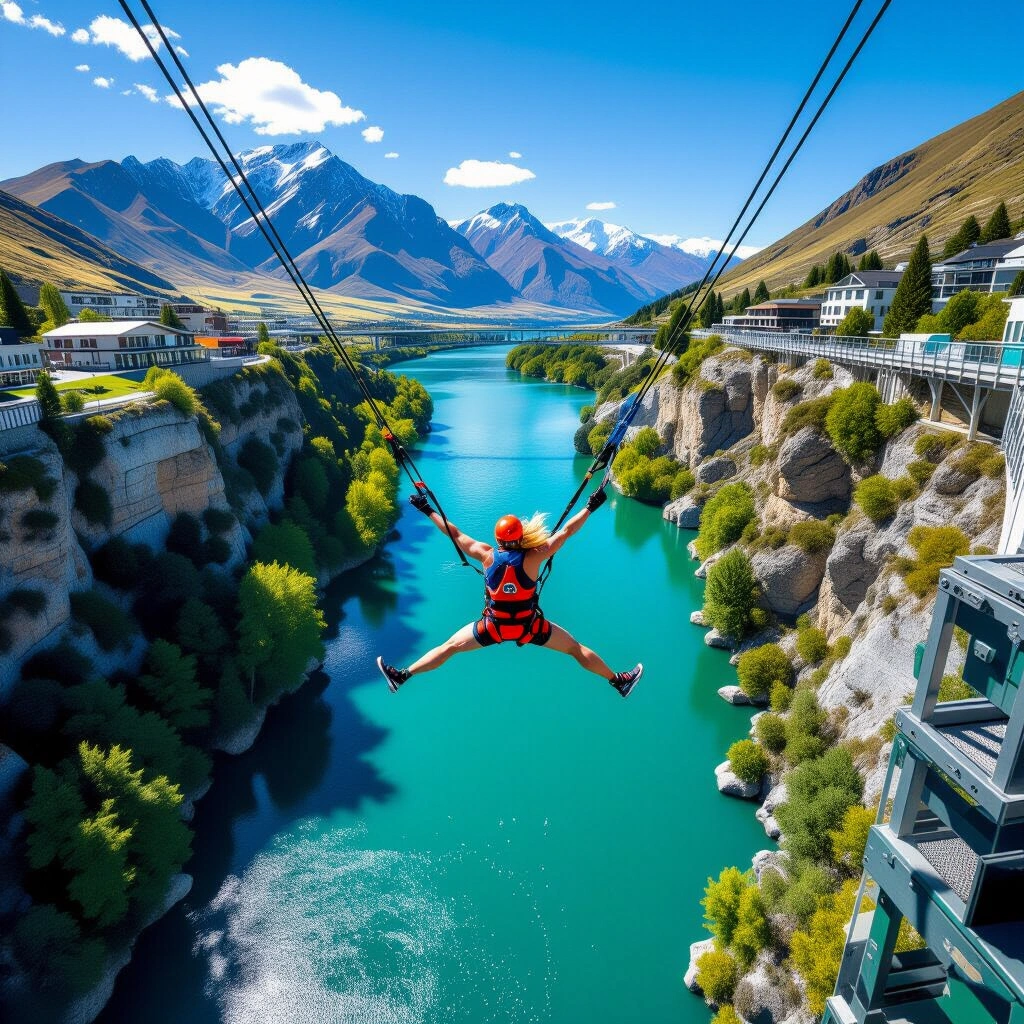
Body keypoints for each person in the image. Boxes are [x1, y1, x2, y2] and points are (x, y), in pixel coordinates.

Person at [376, 488, 643, 697]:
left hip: (493, 627)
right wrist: (590, 507)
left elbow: (455, 534)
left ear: (498, 538)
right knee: (575, 649)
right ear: (520, 536)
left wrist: (428, 510)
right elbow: (567, 532)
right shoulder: (536, 555)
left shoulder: (485, 554)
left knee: (449, 648)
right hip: (530, 627)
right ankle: (618, 681)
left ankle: (402, 675)